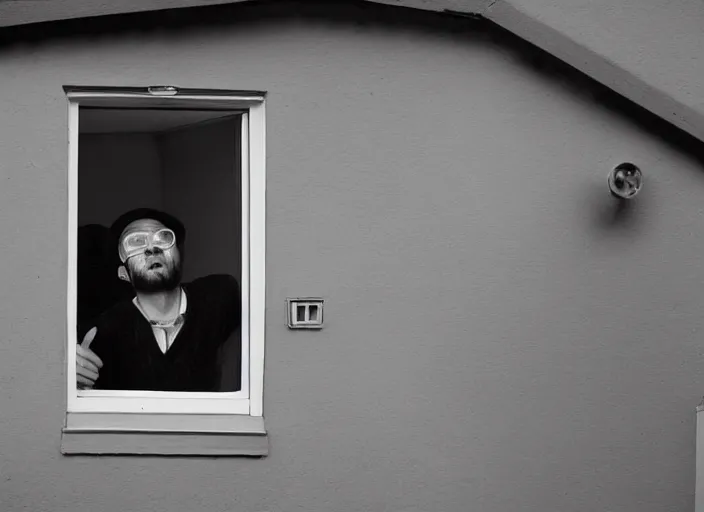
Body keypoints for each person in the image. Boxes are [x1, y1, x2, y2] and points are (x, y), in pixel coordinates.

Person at [75, 208, 240, 391]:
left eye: (163, 238)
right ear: (123, 273)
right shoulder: (102, 333)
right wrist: (75, 383)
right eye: (135, 242)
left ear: (178, 255)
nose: (152, 248)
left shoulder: (219, 297)